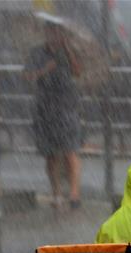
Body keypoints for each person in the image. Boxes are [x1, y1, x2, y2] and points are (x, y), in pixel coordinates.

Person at [24, 22, 83, 210]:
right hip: (45, 106)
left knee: (70, 149)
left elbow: (77, 72)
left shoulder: (68, 51)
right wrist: (45, 69)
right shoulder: (37, 53)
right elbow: (27, 76)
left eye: (58, 32)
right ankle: (56, 193)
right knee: (51, 154)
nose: (54, 35)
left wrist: (67, 50)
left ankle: (74, 194)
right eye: (51, 31)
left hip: (67, 105)